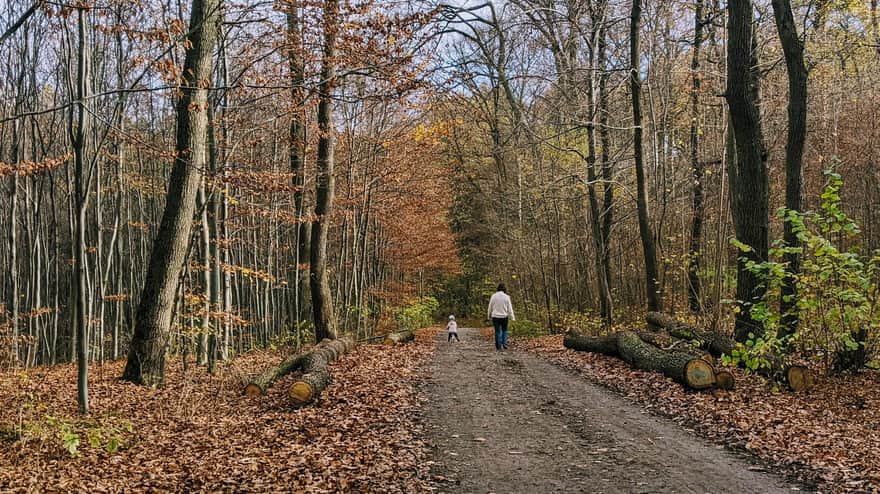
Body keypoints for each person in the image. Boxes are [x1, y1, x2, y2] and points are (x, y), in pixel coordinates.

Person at [487, 283, 515, 350]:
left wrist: (488, 316)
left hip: (495, 316)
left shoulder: (493, 296)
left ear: (498, 288)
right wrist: (512, 317)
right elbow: (510, 308)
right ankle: (504, 343)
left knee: (497, 331)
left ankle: (498, 346)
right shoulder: (507, 297)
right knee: (505, 330)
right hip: (504, 316)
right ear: (504, 289)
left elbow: (490, 307)